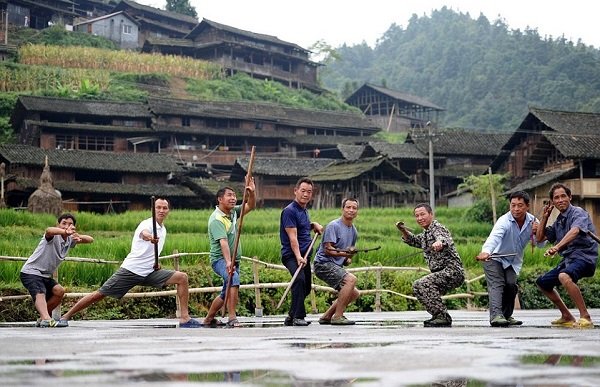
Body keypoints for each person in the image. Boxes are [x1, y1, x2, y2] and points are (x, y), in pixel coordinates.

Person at [60, 198, 201, 328]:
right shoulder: (146, 224)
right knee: (99, 294)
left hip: (149, 272)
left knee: (182, 277)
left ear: (168, 210)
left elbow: (151, 252)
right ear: (153, 209)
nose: (161, 210)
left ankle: (184, 318)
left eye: (164, 208)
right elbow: (144, 234)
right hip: (131, 270)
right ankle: (65, 316)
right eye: (158, 207)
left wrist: (156, 263)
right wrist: (150, 238)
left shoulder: (163, 229)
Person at [476, 191, 545, 327]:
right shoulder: (504, 221)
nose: (516, 209)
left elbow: (541, 244)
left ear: (527, 206)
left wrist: (538, 231)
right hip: (493, 257)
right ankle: (496, 315)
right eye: (513, 205)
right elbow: (494, 238)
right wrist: (485, 252)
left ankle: (506, 315)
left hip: (513, 260)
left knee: (511, 286)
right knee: (497, 283)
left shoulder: (533, 221)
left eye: (520, 205)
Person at [535, 183, 597, 328]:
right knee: (542, 282)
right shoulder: (559, 221)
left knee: (564, 276)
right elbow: (539, 238)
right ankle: (567, 316)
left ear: (569, 197)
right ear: (553, 202)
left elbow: (575, 231)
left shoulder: (578, 212)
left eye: (563, 196)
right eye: (556, 197)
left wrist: (556, 247)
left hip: (584, 257)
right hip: (569, 260)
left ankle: (585, 317)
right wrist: (545, 217)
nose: (560, 200)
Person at [396, 203, 465, 327]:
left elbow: (443, 238)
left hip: (452, 271)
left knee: (422, 283)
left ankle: (441, 316)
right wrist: (403, 230)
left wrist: (439, 243)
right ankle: (438, 315)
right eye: (417, 216)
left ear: (431, 214)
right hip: (441, 273)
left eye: (422, 214)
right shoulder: (425, 234)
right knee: (418, 287)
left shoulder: (437, 227)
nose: (419, 218)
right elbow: (413, 240)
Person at [20, 213, 94, 328]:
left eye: (70, 224)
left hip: (45, 275)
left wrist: (78, 236)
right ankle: (46, 318)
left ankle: (42, 318)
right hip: (31, 271)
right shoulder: (52, 236)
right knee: (40, 291)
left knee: (59, 291)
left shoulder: (70, 239)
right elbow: (49, 230)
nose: (66, 226)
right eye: (63, 223)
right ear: (58, 225)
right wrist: (65, 232)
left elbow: (90, 239)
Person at [203, 178, 256, 328]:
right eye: (229, 195)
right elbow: (223, 242)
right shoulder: (216, 219)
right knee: (233, 278)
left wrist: (252, 192)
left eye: (234, 195)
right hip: (220, 259)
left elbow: (250, 206)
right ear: (220, 199)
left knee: (225, 293)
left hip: (233, 259)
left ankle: (208, 319)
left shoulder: (233, 213)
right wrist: (228, 262)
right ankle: (232, 317)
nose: (233, 198)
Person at [280, 177, 323, 326]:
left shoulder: (304, 210)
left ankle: (291, 316)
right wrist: (298, 256)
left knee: (305, 287)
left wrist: (313, 225)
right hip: (292, 255)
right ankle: (298, 317)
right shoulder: (289, 211)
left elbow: (302, 227)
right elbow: (293, 237)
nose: (306, 194)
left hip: (305, 255)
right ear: (296, 191)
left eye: (309, 192)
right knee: (298, 280)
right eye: (303, 191)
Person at [313, 198, 361, 325]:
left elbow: (345, 259)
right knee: (351, 280)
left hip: (335, 266)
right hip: (322, 264)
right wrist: (346, 253)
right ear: (342, 209)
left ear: (357, 211)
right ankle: (338, 316)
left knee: (355, 293)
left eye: (354, 208)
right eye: (348, 207)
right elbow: (328, 250)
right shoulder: (334, 226)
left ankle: (327, 316)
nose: (351, 210)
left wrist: (348, 258)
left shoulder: (354, 231)